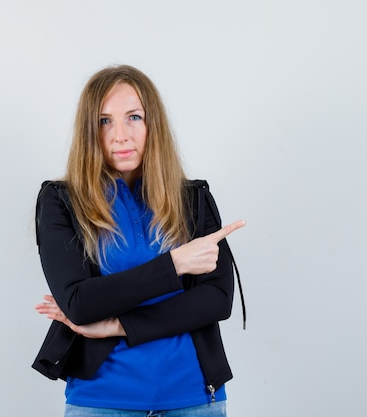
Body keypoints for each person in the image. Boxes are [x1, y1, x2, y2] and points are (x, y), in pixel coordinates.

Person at [32, 65, 245, 417]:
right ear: (89, 130)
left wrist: (117, 325)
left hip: (195, 400)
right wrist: (175, 264)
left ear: (152, 124)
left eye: (133, 117)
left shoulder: (192, 198)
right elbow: (79, 303)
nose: (120, 135)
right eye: (104, 121)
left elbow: (216, 301)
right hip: (101, 402)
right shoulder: (61, 200)